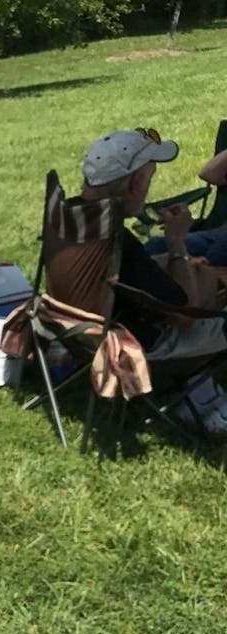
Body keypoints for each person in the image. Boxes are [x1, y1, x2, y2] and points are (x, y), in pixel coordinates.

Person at [80, 128, 227, 432]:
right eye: (149, 178)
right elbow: (184, 315)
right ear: (134, 184)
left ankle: (197, 394)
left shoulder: (70, 217)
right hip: (140, 347)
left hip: (78, 335)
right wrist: (176, 243)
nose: (149, 188)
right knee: (213, 313)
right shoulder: (120, 243)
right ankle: (207, 403)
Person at [144, 147, 227, 267]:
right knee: (156, 245)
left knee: (218, 252)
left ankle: (200, 277)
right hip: (217, 234)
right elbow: (209, 174)